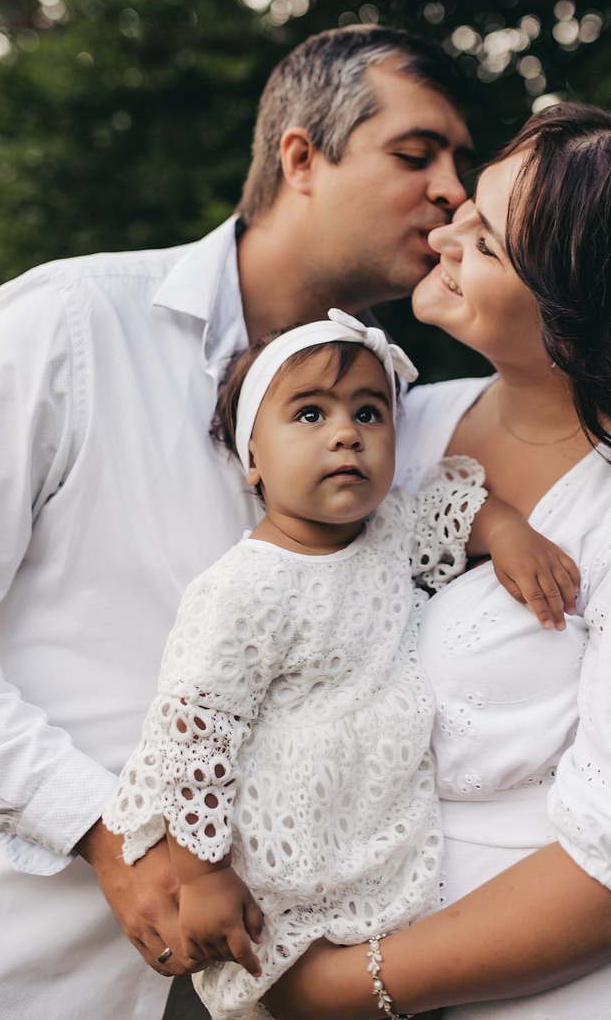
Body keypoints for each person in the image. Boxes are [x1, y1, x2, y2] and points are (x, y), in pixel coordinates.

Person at [262, 103, 611, 1020]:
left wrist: (349, 986)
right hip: (366, 916)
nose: (442, 233)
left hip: (565, 991)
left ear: (575, 307)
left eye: (484, 243)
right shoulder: (404, 425)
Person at [0, 24, 475, 1020]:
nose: (455, 191)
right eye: (416, 154)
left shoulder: (402, 414)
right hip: (46, 952)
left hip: (301, 975)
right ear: (300, 155)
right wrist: (103, 828)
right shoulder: (70, 327)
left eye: (460, 164)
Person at [103, 310, 577, 1020]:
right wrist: (200, 875)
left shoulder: (386, 532)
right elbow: (194, 737)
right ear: (253, 458)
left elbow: (453, 509)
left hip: (362, 831)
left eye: (367, 412)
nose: (345, 432)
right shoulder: (243, 588)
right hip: (262, 855)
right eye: (309, 414)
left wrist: (506, 531)